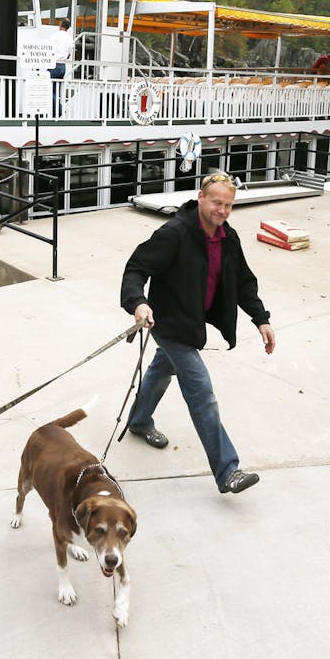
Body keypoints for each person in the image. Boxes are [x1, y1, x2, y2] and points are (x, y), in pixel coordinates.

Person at [119, 171, 275, 495]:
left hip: (192, 324)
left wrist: (261, 319)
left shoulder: (226, 237)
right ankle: (227, 470)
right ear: (201, 197)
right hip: (169, 323)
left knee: (162, 370)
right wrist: (138, 302)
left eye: (228, 205)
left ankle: (139, 420)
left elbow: (244, 282)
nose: (222, 210)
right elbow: (136, 267)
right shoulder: (175, 233)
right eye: (217, 202)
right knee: (202, 392)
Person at [48, 18, 73, 116]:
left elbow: (49, 49)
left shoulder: (55, 36)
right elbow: (69, 54)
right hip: (63, 66)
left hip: (54, 63)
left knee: (49, 89)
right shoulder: (69, 38)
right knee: (56, 90)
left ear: (60, 25)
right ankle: (55, 112)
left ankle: (59, 109)